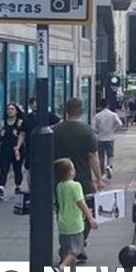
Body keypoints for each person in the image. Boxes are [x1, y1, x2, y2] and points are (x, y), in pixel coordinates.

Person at [53, 97, 104, 262]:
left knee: (63, 213)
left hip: (58, 179)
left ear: (65, 111)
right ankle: (78, 245)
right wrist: (99, 178)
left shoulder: (55, 130)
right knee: (87, 212)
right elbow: (93, 157)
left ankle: (68, 246)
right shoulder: (86, 131)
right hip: (82, 179)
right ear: (81, 111)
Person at [53, 158, 98, 272]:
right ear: (70, 172)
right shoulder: (75, 186)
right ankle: (61, 268)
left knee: (66, 249)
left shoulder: (59, 186)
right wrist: (91, 218)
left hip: (62, 223)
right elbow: (81, 203)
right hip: (74, 223)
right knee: (76, 250)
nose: (74, 169)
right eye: (72, 167)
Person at [0, 103, 26, 199]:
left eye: (12, 109)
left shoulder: (20, 122)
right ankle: (1, 187)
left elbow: (23, 135)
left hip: (17, 149)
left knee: (17, 169)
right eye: (8, 109)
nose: (10, 111)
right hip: (5, 150)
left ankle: (18, 185)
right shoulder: (3, 123)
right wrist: (1, 133)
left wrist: (18, 146)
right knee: (4, 169)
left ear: (16, 111)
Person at [93, 99, 123, 180]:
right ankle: (109, 166)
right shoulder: (113, 115)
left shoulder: (97, 116)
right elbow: (120, 124)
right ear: (108, 105)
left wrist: (98, 131)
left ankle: (102, 172)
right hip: (110, 137)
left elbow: (94, 128)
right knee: (110, 154)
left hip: (100, 138)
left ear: (100, 106)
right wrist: (114, 129)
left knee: (101, 156)